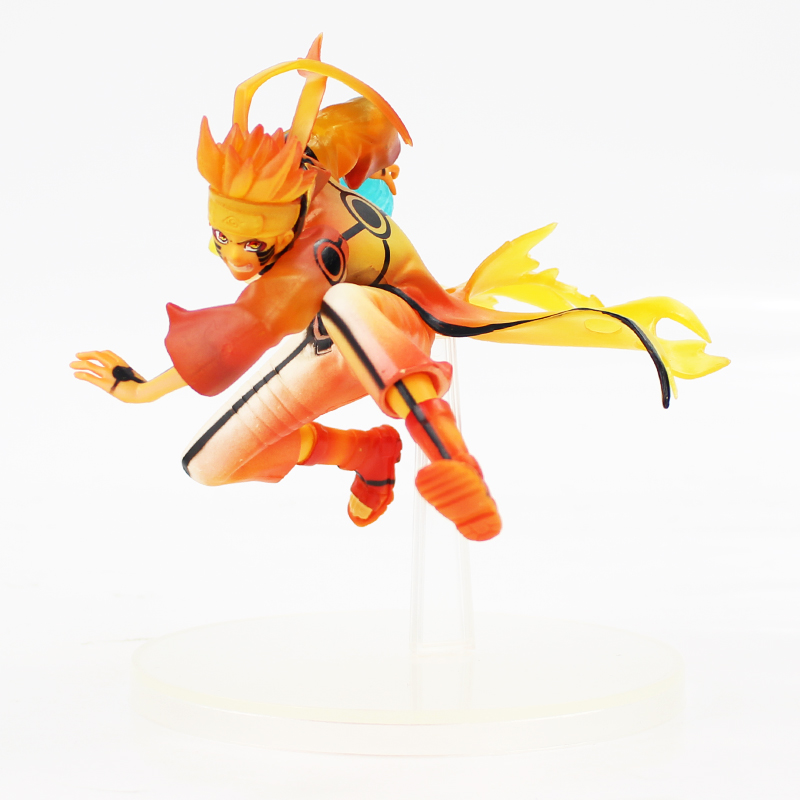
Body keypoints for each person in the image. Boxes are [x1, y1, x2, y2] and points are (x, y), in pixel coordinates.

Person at [71, 37, 728, 542]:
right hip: (331, 351)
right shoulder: (313, 164)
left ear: (293, 214)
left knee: (342, 301)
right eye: (223, 238)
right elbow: (362, 134)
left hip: (392, 329)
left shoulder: (313, 256)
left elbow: (226, 349)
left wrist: (140, 391)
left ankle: (452, 459)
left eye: (255, 244)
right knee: (208, 466)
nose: (238, 259)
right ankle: (364, 451)